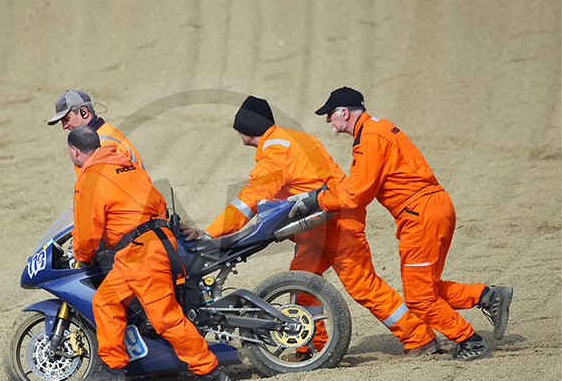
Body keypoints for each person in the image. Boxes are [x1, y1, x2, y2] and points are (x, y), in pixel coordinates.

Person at [181, 95, 439, 360]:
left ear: (243, 130)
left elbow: (249, 201)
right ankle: (311, 348)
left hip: (335, 225)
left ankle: (419, 338)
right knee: (302, 286)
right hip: (323, 227)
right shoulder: (293, 138)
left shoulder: (276, 152)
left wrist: (210, 235)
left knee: (363, 285)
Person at [289, 86, 513, 361]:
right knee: (424, 288)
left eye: (330, 115)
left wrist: (318, 200)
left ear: (344, 113)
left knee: (419, 298)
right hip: (434, 208)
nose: (328, 121)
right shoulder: (379, 129)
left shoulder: (369, 139)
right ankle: (487, 296)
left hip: (420, 216)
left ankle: (470, 342)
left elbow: (355, 195)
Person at [67, 125, 229, 381]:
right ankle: (113, 370)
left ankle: (209, 371)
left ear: (74, 151)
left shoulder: (89, 178)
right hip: (154, 245)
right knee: (106, 301)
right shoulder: (128, 165)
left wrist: (84, 257)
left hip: (140, 254)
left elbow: (86, 231)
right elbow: (159, 204)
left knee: (165, 317)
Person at [48, 89, 145, 177]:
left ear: (84, 113)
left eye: (66, 119)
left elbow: (115, 188)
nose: (64, 126)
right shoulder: (100, 134)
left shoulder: (102, 144)